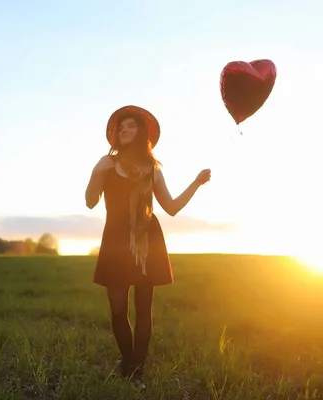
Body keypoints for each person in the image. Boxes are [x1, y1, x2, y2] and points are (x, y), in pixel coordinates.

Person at [85, 105, 211, 388]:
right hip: (115, 242)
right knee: (118, 309)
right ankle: (128, 360)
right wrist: (96, 172)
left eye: (130, 126)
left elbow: (172, 207)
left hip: (147, 244)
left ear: (141, 133)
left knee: (144, 311)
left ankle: (135, 372)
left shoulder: (152, 170)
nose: (124, 130)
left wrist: (196, 183)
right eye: (121, 127)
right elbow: (90, 201)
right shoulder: (106, 164)